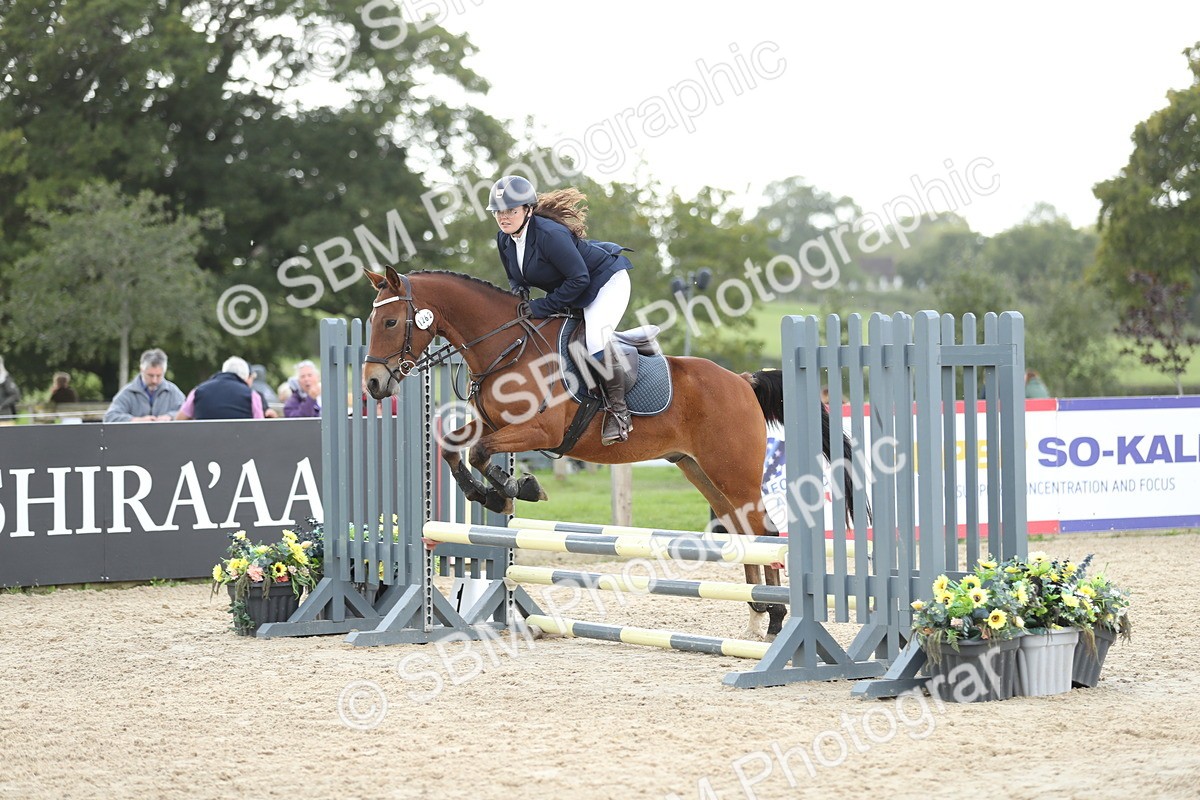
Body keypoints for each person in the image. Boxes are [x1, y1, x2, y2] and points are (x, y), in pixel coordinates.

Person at [488, 175, 635, 445]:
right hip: (574, 288)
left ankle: (618, 412)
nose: (503, 217)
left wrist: (541, 305)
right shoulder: (504, 239)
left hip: (605, 283)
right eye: (498, 211)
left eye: (511, 210)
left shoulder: (550, 235)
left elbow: (580, 278)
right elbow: (516, 277)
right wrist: (519, 298)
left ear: (528, 210)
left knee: (593, 340)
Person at [175, 356, 276, 420]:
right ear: (245, 377)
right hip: (241, 451)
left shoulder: (197, 391)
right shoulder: (252, 395)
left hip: (203, 450)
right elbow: (260, 426)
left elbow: (179, 420)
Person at [104, 348, 186, 422]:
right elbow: (110, 417)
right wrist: (135, 420)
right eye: (150, 375)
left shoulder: (173, 391)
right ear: (141, 370)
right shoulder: (128, 392)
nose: (154, 380)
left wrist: (170, 416)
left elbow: (189, 412)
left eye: (159, 376)